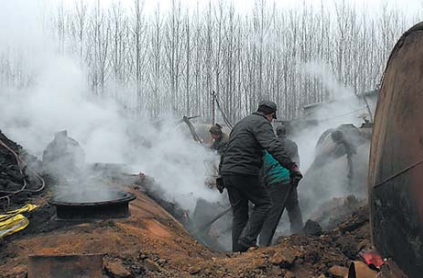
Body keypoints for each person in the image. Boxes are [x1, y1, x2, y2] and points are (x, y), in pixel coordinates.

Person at [218, 100, 302, 252]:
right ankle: (247, 240)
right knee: (264, 204)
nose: (271, 120)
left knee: (239, 215)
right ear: (270, 115)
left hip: (228, 172)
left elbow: (227, 150)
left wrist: (220, 176)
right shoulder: (262, 123)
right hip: (244, 171)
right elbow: (273, 146)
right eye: (272, 118)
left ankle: (238, 252)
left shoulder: (241, 123)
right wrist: (292, 166)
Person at [258, 151, 293, 246]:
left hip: (278, 180)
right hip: (285, 177)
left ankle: (263, 244)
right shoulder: (264, 152)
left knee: (271, 213)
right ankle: (298, 231)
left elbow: (260, 178)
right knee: (291, 207)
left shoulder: (257, 155)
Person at [275, 125, 304, 234]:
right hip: (289, 178)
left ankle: (267, 236)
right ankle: (298, 232)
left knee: (273, 209)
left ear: (276, 132)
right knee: (293, 207)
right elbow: (296, 161)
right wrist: (295, 175)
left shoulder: (271, 144)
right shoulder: (292, 144)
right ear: (285, 132)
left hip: (274, 180)